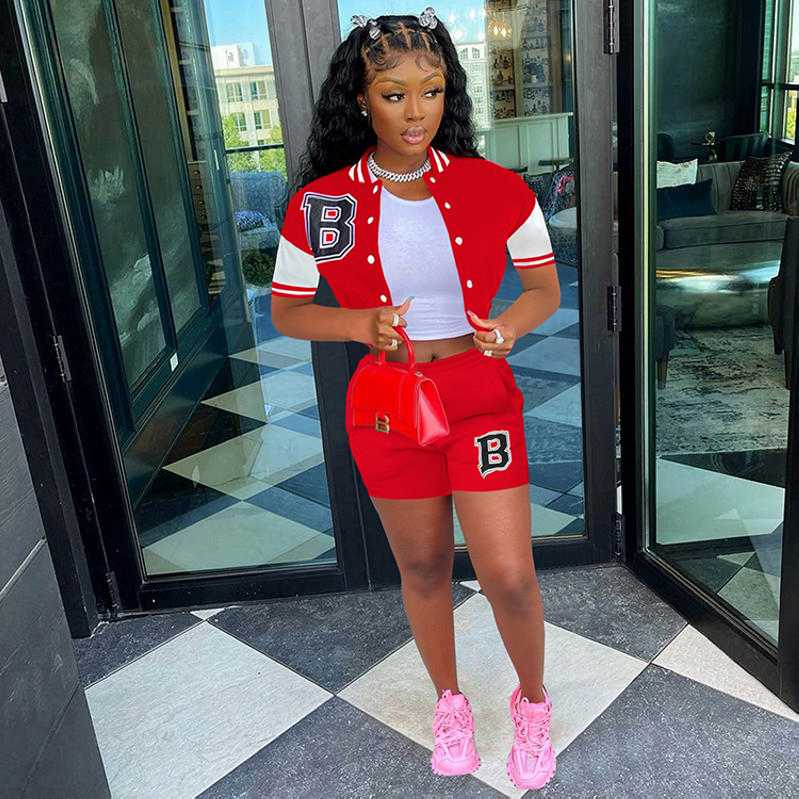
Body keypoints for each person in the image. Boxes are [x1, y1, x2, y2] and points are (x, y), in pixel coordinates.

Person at [271, 9, 560, 790]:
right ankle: (449, 702)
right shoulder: (321, 204)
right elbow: (287, 309)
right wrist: (356, 323)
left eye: (430, 91)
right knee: (425, 566)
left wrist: (507, 326)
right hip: (387, 403)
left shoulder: (495, 188)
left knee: (508, 573)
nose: (415, 111)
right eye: (393, 94)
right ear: (360, 100)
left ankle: (532, 702)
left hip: (477, 394)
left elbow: (542, 286)